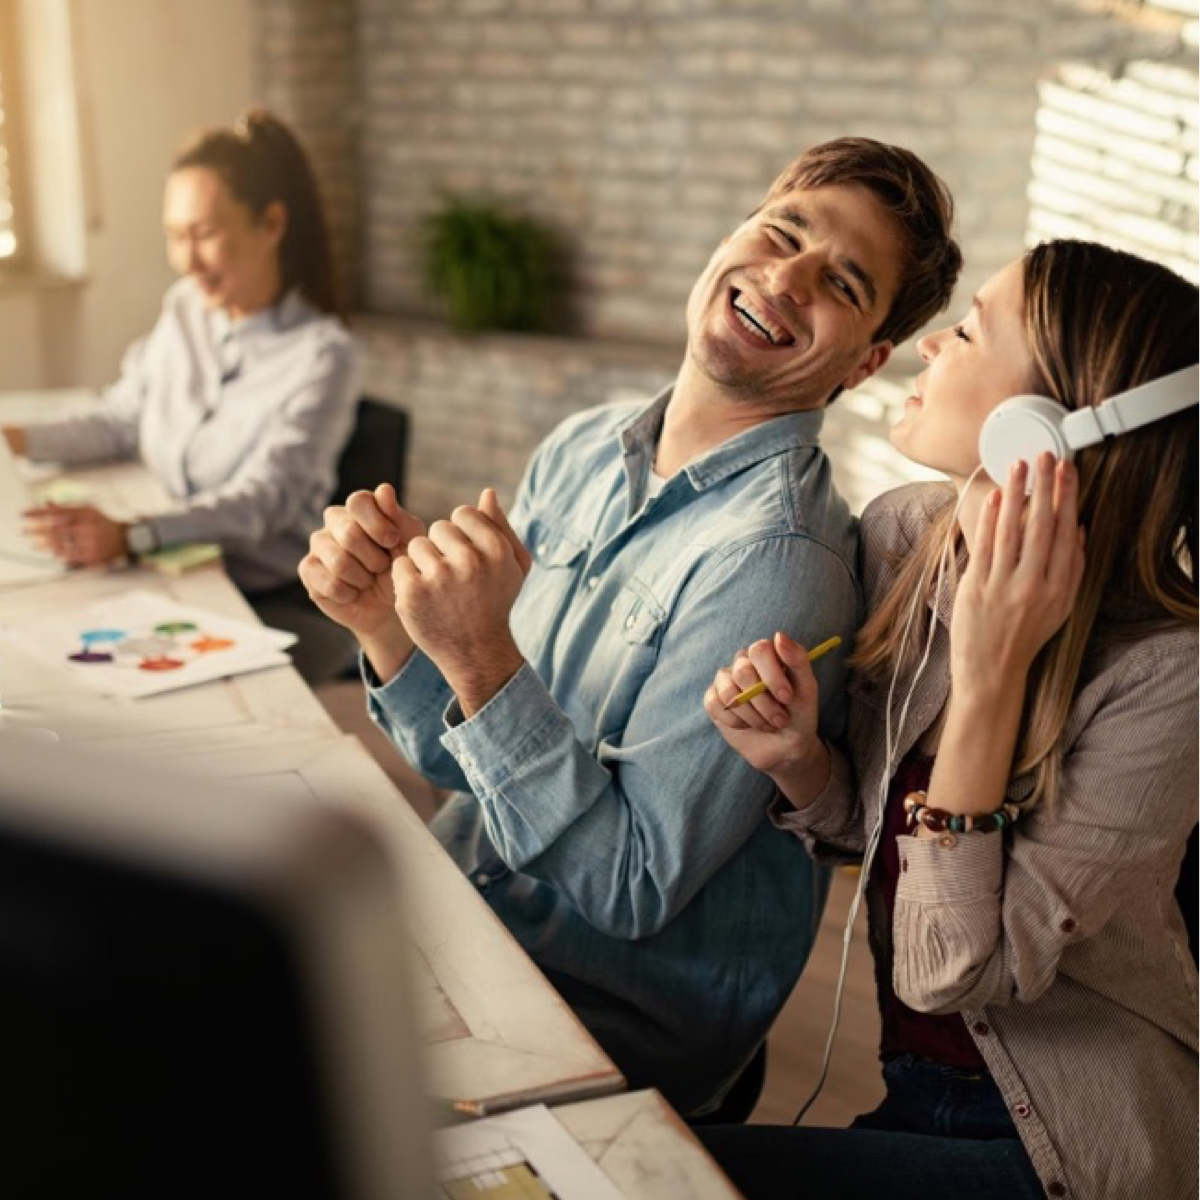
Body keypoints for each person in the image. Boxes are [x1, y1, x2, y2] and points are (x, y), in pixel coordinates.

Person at [299, 137, 963, 1115]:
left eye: (842, 282)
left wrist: (483, 658)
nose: (785, 277)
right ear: (733, 234)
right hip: (460, 920)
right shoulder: (582, 448)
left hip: (591, 1023)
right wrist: (387, 628)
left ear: (864, 364)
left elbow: (627, 887)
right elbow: (471, 768)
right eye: (782, 232)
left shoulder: (777, 564)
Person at [699, 239, 1198, 1197]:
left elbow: (944, 970)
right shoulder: (905, 540)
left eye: (968, 331)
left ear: (1042, 430)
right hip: (913, 1091)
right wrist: (802, 761)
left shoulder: (1170, 674)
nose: (928, 346)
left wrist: (990, 674)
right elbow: (881, 837)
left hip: (1074, 1146)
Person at [3, 109, 359, 684]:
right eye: (174, 235)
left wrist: (131, 533)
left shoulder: (324, 356)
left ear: (271, 224)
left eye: (204, 234)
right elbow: (121, 417)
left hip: (256, 596)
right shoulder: (186, 307)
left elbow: (261, 502)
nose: (185, 260)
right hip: (162, 568)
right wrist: (15, 437)